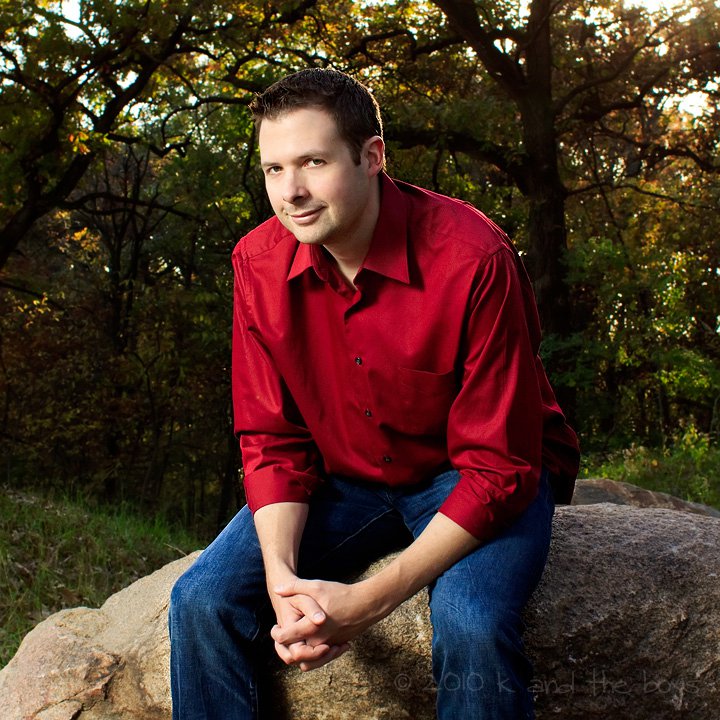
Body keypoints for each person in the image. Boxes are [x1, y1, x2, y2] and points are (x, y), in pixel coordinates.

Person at [169, 67, 580, 720]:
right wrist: (279, 576)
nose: (292, 192)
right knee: (200, 600)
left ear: (372, 157)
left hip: (471, 475)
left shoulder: (474, 260)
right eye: (274, 169)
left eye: (313, 162)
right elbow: (273, 439)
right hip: (346, 477)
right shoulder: (258, 264)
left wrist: (370, 601)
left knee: (472, 620)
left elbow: (501, 467)